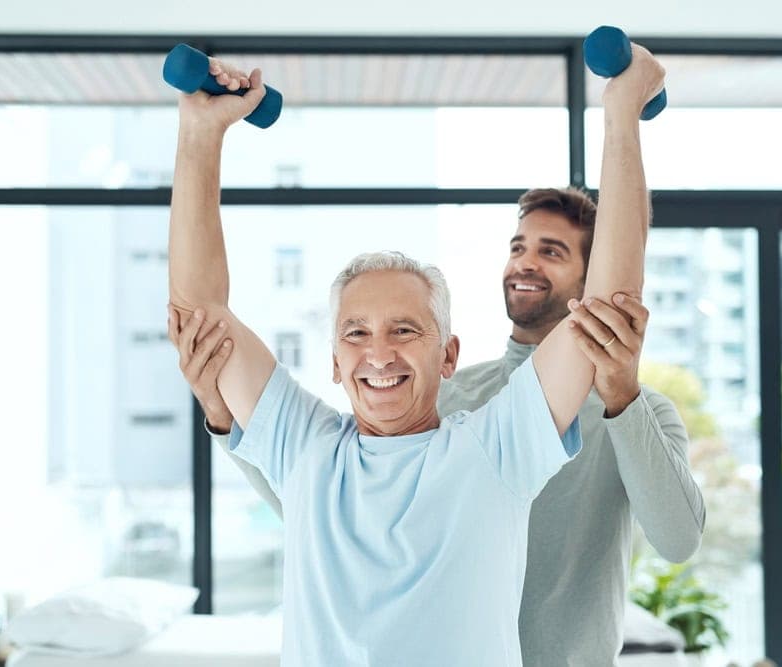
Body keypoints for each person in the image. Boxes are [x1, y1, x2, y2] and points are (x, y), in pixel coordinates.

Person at [168, 47, 665, 666]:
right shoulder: (304, 448)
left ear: (448, 353)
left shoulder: (495, 448)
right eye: (355, 333)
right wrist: (200, 133)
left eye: (405, 329)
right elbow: (199, 317)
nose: (379, 353)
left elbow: (606, 307)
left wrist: (620, 119)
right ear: (332, 361)